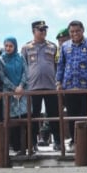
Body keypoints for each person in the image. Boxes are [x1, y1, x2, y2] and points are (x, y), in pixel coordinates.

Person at [55, 20, 87, 150]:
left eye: (77, 31)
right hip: (70, 86)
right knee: (73, 115)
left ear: (82, 30)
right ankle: (75, 141)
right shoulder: (65, 46)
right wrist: (58, 82)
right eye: (72, 31)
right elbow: (61, 65)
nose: (75, 34)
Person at [21, 20, 60, 151]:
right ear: (33, 31)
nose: (43, 32)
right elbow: (23, 67)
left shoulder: (53, 47)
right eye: (40, 29)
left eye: (44, 29)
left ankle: (58, 142)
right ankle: (32, 143)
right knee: (33, 116)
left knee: (54, 115)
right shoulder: (26, 48)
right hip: (33, 88)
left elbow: (57, 66)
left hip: (51, 87)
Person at [0, 37, 29, 154]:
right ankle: (16, 147)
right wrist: (14, 88)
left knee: (25, 118)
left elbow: (26, 72)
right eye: (6, 46)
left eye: (11, 46)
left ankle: (28, 146)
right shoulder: (0, 59)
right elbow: (2, 77)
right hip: (9, 93)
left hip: (23, 91)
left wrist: (20, 86)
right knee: (13, 120)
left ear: (15, 46)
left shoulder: (20, 57)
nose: (8, 48)